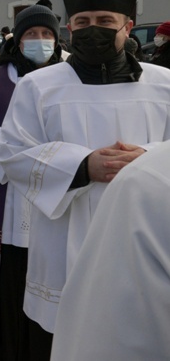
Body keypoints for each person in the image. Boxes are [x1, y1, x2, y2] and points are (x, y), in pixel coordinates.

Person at [0, 0, 170, 358]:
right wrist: (81, 165)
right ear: (71, 29)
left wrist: (148, 159)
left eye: (106, 22)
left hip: (146, 237)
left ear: (127, 27)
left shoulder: (165, 85)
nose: (94, 30)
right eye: (83, 23)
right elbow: (12, 152)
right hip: (63, 238)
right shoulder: (39, 86)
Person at [0, 4, 64, 360]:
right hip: (5, 201)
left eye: (46, 34)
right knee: (2, 283)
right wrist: (22, 159)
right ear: (17, 42)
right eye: (31, 35)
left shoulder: (70, 79)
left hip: (56, 194)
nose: (39, 41)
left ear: (57, 38)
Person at [50, 139, 170, 361]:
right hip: (60, 227)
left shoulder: (146, 180)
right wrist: (81, 166)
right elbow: (11, 145)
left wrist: (147, 153)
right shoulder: (144, 180)